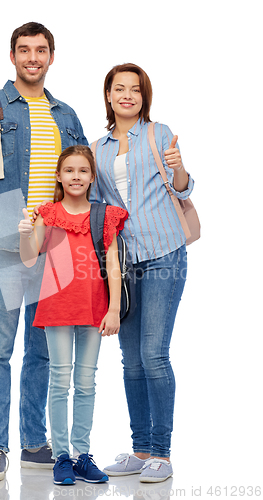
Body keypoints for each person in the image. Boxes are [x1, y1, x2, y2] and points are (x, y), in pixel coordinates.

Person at [0, 22, 88, 481]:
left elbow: (79, 178)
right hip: (5, 241)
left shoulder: (67, 115)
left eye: (41, 50)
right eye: (24, 50)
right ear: (12, 56)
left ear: (52, 57)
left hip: (53, 246)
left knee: (41, 351)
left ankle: (34, 443)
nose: (32, 57)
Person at [89, 63, 194, 483]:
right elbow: (98, 206)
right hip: (124, 261)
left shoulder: (159, 134)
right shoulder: (97, 148)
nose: (127, 95)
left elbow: (183, 187)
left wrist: (179, 166)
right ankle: (140, 449)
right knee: (130, 360)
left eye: (135, 89)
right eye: (120, 89)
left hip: (165, 252)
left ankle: (163, 455)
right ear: (109, 96)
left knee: (153, 355)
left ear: (143, 96)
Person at [18, 145, 128, 485]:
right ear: (59, 176)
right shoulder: (47, 214)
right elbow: (27, 258)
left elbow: (113, 263)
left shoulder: (103, 215)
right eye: (69, 171)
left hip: (95, 309)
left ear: (92, 177)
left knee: (86, 382)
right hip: (57, 308)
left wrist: (113, 309)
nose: (76, 176)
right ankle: (62, 456)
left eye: (82, 170)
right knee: (60, 381)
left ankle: (81, 455)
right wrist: (25, 233)